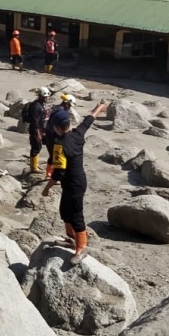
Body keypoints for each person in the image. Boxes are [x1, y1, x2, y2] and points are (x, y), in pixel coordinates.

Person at [42, 100, 108, 264]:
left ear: (57, 128)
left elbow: (59, 173)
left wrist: (47, 188)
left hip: (74, 183)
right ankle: (71, 239)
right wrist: (99, 108)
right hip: (75, 182)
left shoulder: (59, 146)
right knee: (65, 211)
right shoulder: (78, 133)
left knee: (76, 215)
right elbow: (88, 120)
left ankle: (81, 248)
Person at [44, 93, 77, 180]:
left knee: (54, 155)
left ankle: (50, 174)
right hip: (54, 136)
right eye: (69, 105)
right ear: (66, 103)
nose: (70, 107)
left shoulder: (56, 108)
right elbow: (57, 126)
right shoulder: (61, 112)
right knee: (55, 155)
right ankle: (50, 175)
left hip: (49, 135)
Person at [26, 87, 51, 173]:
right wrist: (38, 133)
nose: (47, 99)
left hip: (40, 129)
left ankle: (36, 165)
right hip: (35, 130)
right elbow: (35, 121)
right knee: (35, 147)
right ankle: (33, 167)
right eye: (45, 97)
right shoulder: (36, 106)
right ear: (41, 97)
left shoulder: (40, 105)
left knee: (38, 146)